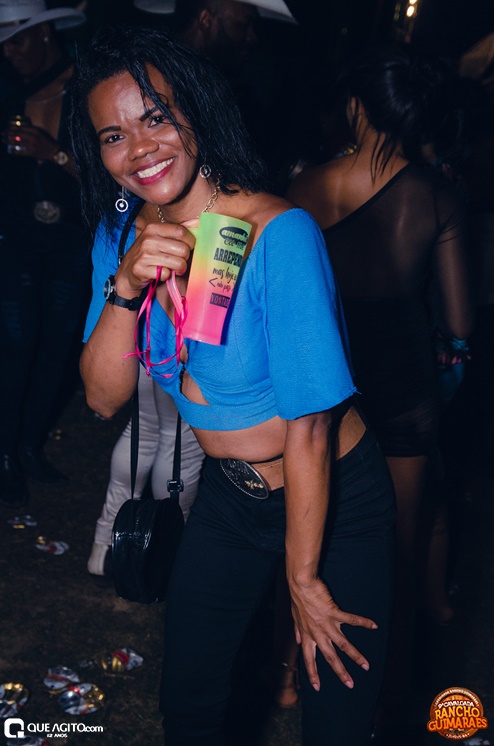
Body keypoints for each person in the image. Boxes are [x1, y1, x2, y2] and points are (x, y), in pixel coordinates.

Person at [69, 24, 396, 745]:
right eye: (114, 135)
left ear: (195, 111)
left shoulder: (281, 231)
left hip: (337, 495)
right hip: (230, 497)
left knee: (336, 717)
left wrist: (303, 579)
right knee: (188, 703)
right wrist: (126, 287)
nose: (140, 147)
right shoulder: (118, 238)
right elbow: (101, 397)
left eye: (155, 117)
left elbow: (310, 424)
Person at [287, 46, 473, 743]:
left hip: (323, 387)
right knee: (397, 550)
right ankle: (389, 701)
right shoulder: (435, 195)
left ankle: (287, 673)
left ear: (357, 107)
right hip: (401, 391)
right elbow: (460, 322)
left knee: (304, 535)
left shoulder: (302, 186)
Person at [0, 0, 90, 506]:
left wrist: (51, 152)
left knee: (56, 348)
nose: (8, 53)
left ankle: (30, 446)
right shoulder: (7, 91)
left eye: (16, 41)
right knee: (15, 346)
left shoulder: (88, 88)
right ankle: (5, 454)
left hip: (70, 241)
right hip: (16, 238)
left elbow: (104, 175)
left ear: (44, 33)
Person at [87, 369, 205, 576]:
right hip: (188, 354)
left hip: (147, 350)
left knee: (144, 427)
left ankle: (105, 548)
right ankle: (171, 550)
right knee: (180, 439)